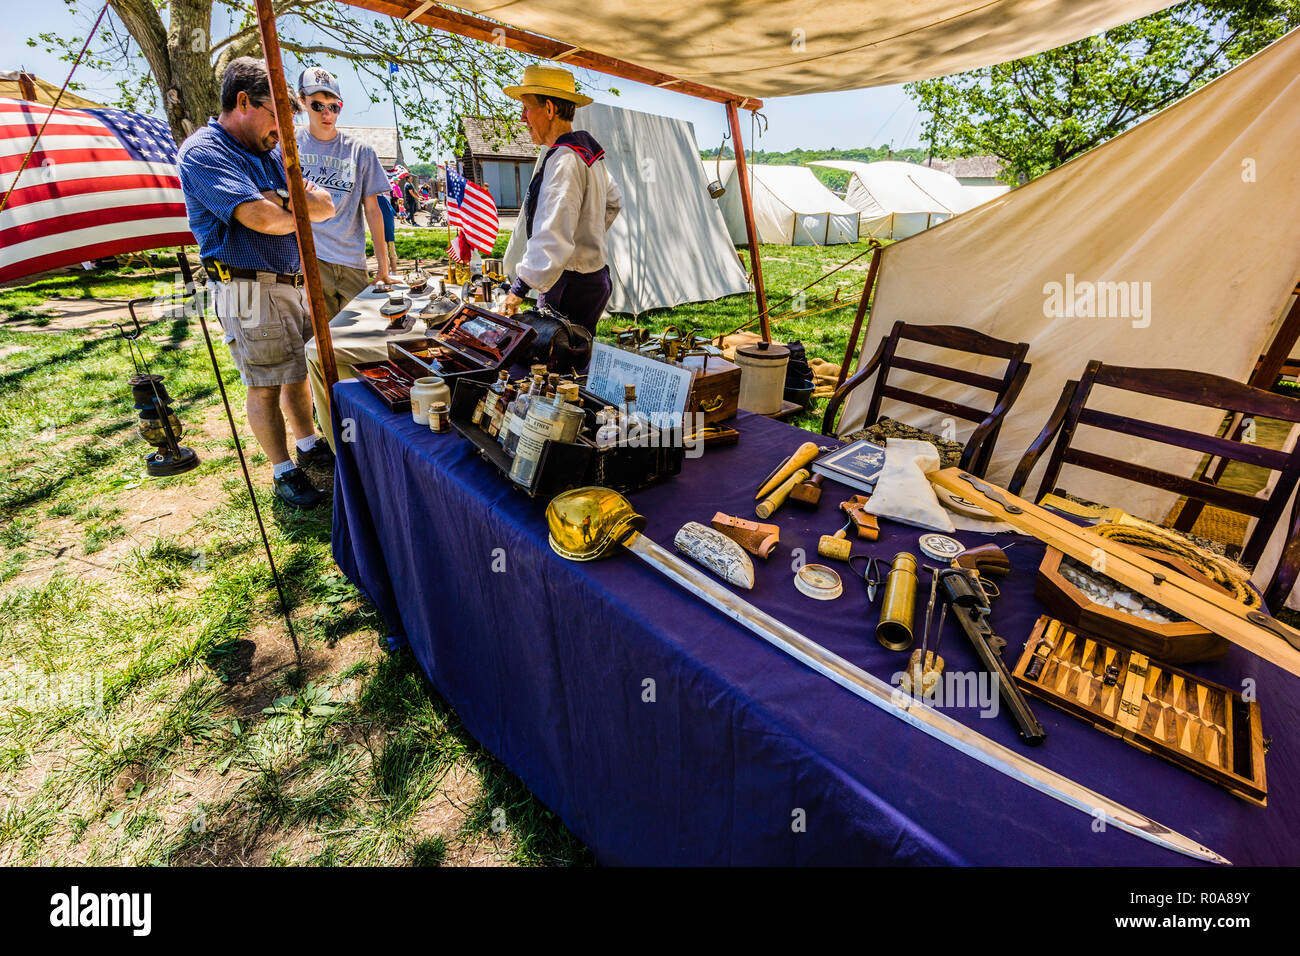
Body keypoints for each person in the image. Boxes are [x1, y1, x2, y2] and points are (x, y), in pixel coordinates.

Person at [177, 57, 336, 510]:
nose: (284, 128)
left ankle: (306, 444)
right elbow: (259, 218)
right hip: (247, 285)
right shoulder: (205, 151)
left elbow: (325, 206)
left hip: (288, 279)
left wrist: (282, 196)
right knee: (266, 381)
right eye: (277, 113)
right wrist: (283, 206)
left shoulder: (268, 153)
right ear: (243, 101)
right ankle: (283, 470)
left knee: (296, 371)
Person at [500, 65, 622, 335]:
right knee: (578, 358)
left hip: (570, 286)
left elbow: (551, 232)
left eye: (526, 108)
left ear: (550, 109)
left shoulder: (565, 160)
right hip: (593, 279)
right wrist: (585, 235)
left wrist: (518, 289)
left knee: (559, 366)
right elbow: (613, 200)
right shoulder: (586, 154)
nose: (522, 118)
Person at [295, 68, 394, 315]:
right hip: (311, 261)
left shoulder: (360, 151)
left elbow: (373, 210)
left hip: (352, 261)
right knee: (321, 342)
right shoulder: (289, 145)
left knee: (362, 339)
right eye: (318, 106)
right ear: (302, 101)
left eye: (333, 106)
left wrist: (383, 267)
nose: (326, 113)